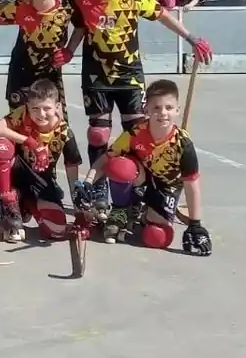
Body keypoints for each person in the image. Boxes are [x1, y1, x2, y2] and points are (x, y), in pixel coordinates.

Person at [63, 0, 212, 172]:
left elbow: (162, 15)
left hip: (129, 73)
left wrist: (191, 38)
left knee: (137, 131)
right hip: (97, 72)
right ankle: (97, 188)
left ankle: (135, 187)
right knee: (98, 133)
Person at [86, 78, 210, 254]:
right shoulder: (135, 133)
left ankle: (145, 216)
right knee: (119, 166)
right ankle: (121, 210)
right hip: (141, 179)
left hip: (167, 187)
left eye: (168, 108)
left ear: (177, 110)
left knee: (157, 238)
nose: (163, 113)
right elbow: (105, 159)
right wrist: (88, 182)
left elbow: (192, 185)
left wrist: (195, 224)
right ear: (146, 110)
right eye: (156, 108)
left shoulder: (183, 144)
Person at [0, 78, 85, 243]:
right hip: (18, 173)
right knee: (0, 145)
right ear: (28, 106)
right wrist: (30, 142)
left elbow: (71, 168)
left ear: (58, 107)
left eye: (47, 108)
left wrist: (78, 208)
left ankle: (30, 206)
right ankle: (10, 203)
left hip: (42, 181)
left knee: (56, 232)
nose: (40, 114)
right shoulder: (22, 113)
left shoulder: (65, 133)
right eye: (35, 108)